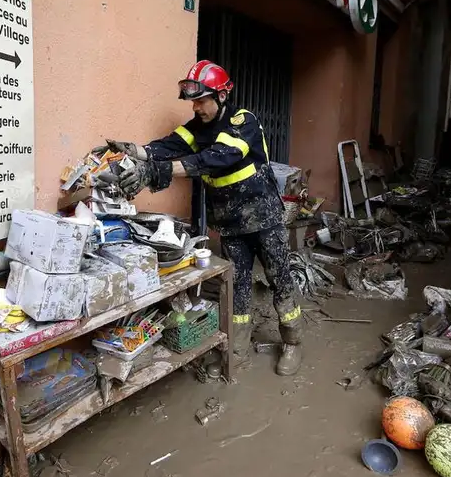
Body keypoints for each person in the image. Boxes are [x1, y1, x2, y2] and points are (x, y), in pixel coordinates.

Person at [104, 60, 303, 376]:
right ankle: (237, 349)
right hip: (231, 224)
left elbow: (216, 158)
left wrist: (155, 172)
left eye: (201, 100)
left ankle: (292, 343)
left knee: (280, 278)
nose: (196, 107)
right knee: (237, 286)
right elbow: (168, 146)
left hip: (264, 219)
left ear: (222, 95)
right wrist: (133, 151)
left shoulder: (243, 122)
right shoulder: (197, 127)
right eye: (193, 102)